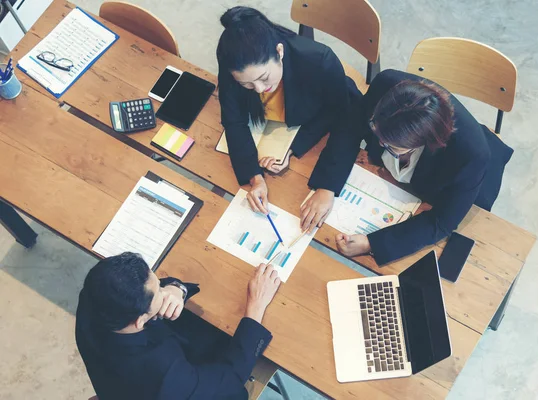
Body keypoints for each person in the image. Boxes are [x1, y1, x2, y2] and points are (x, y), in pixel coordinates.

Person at [336, 69, 514, 265]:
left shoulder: (471, 156)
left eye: (391, 146)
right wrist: (328, 186)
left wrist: (372, 243)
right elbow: (350, 126)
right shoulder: (386, 85)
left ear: (423, 142)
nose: (379, 145)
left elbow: (441, 221)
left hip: (453, 182)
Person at [216, 6, 363, 232]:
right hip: (279, 124)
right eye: (246, 84)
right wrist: (255, 178)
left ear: (280, 52)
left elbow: (344, 115)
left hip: (316, 117)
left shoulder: (319, 59)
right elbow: (233, 121)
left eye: (263, 78)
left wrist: (323, 183)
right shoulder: (233, 65)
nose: (258, 90)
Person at [75, 252, 281, 400]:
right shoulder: (164, 372)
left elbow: (139, 290)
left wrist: (176, 289)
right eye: (159, 293)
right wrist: (256, 305)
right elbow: (230, 378)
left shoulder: (92, 297)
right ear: (140, 320)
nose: (162, 290)